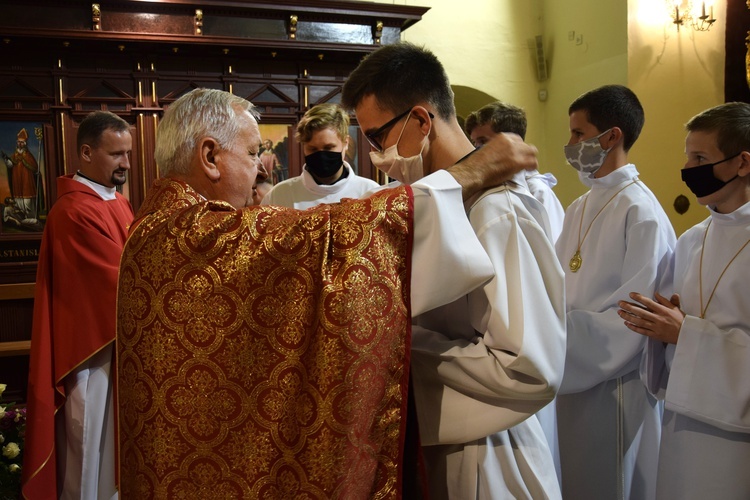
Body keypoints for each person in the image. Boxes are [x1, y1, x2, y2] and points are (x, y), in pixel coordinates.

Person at [116, 87, 539, 498]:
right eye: (250, 154)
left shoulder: (158, 226)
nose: (261, 170)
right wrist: (473, 170)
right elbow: (334, 232)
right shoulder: (194, 232)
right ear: (209, 156)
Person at [341, 42, 566, 499]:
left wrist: (398, 346)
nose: (377, 155)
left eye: (377, 136)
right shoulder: (432, 204)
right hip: (441, 444)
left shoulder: (495, 210)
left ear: (421, 121)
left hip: (487, 458)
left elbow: (528, 367)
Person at [618, 102, 750, 499]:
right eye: (687, 155)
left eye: (701, 158)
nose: (689, 168)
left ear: (742, 163)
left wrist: (685, 334)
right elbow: (671, 337)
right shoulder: (692, 239)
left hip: (735, 438)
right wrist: (659, 327)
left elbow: (685, 332)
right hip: (681, 421)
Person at [554, 84, 676, 500]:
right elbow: (556, 283)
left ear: (612, 136)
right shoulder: (579, 207)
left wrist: (556, 342)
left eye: (577, 133)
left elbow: (637, 315)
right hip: (570, 377)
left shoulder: (641, 212)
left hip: (614, 389)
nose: (570, 145)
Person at [22, 111, 134, 499]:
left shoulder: (117, 202)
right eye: (116, 154)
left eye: (128, 153)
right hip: (92, 353)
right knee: (91, 452)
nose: (126, 164)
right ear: (86, 152)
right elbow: (117, 280)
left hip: (120, 346)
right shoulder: (73, 211)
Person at [465, 100, 565, 242]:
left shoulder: (538, 191)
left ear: (511, 141)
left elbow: (554, 245)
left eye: (483, 141)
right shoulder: (483, 186)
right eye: (474, 142)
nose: (476, 149)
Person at [262, 103, 378, 208]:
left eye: (329, 147)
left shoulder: (370, 192)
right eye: (313, 149)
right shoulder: (279, 195)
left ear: (345, 143)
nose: (321, 155)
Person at [2, 128, 43, 227]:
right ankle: (22, 220)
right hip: (17, 182)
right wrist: (7, 160)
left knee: (28, 202)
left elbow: (34, 167)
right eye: (19, 142)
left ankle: (31, 219)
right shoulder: (15, 155)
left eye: (22, 142)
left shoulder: (28, 155)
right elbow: (10, 165)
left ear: (25, 143)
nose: (20, 144)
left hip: (27, 182)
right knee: (18, 202)